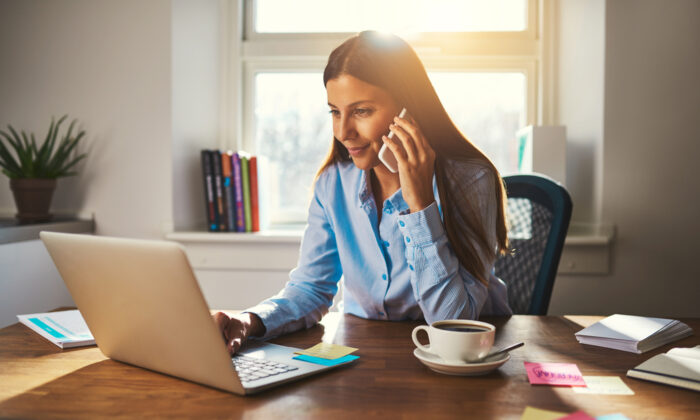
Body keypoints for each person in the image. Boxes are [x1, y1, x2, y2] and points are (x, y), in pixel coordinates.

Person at [214, 31, 512, 354]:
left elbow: (453, 323)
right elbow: (311, 289)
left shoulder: (469, 181)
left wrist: (420, 204)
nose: (343, 132)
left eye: (361, 111)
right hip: (362, 358)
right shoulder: (333, 184)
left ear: (408, 111)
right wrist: (248, 320)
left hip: (462, 364)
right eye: (335, 112)